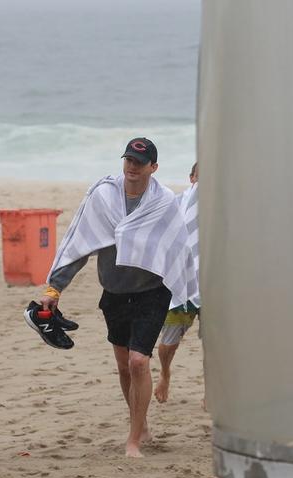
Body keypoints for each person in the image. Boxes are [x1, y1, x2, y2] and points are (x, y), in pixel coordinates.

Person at [25, 138, 198, 458]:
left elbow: (177, 247)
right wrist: (54, 288)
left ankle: (133, 441)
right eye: (128, 160)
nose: (132, 167)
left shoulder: (164, 203)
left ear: (153, 168)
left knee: (138, 361)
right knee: (123, 367)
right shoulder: (103, 197)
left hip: (151, 293)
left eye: (139, 163)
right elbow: (79, 243)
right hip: (115, 292)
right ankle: (141, 423)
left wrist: (185, 287)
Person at [154, 162, 200, 404]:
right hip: (183, 284)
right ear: (191, 177)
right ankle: (165, 373)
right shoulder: (179, 204)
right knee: (168, 343)